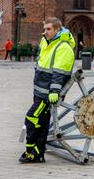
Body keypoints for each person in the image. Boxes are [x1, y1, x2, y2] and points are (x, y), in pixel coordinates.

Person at [20, 18, 75, 164]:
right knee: (41, 122)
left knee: (31, 118)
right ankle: (37, 153)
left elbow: (60, 72)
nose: (45, 32)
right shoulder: (45, 41)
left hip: (48, 93)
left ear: (57, 29)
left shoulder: (63, 47)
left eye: (48, 29)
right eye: (45, 29)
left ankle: (31, 151)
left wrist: (54, 91)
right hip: (40, 89)